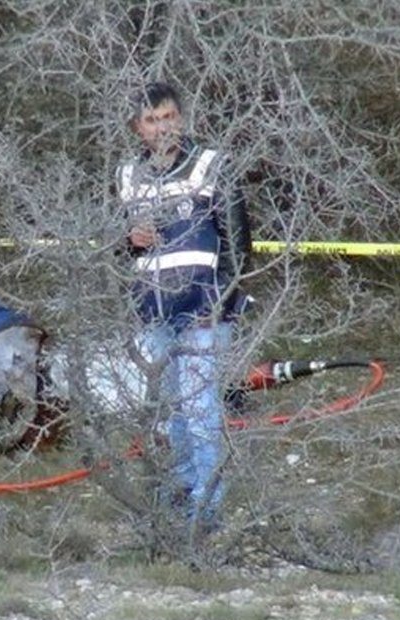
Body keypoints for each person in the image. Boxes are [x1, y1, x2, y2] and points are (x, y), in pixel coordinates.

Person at [115, 82, 252, 528]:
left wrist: (222, 301)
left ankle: (206, 508)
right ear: (138, 127)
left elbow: (239, 245)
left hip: (203, 309)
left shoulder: (212, 166)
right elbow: (116, 247)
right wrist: (128, 240)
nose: (162, 127)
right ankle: (181, 492)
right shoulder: (126, 176)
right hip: (154, 311)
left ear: (182, 118)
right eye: (152, 120)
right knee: (170, 410)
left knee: (201, 409)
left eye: (169, 117)